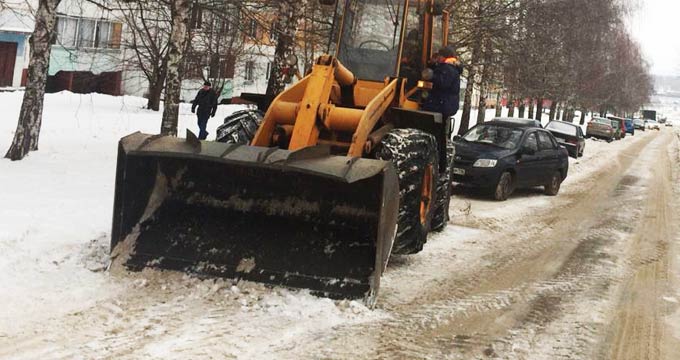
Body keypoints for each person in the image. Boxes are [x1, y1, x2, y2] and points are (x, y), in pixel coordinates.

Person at [422, 46, 462, 137]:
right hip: (442, 105)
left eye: (439, 56)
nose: (438, 58)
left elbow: (443, 82)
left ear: (444, 57)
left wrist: (431, 76)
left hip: (441, 105)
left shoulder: (449, 69)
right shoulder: (447, 68)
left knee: (437, 132)